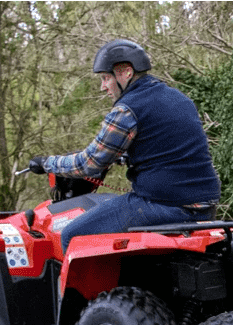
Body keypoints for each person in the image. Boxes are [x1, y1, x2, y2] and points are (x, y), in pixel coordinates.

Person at [30, 39, 220, 254]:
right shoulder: (179, 98)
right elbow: (168, 149)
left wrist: (47, 163)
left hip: (164, 206)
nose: (103, 87)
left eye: (105, 78)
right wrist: (125, 158)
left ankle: (89, 290)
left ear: (126, 72)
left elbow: (89, 164)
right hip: (204, 205)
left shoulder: (127, 110)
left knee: (71, 235)